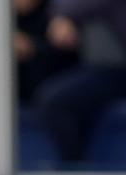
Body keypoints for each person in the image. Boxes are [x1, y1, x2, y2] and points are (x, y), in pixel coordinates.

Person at [35, 0, 126, 163]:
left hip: (116, 70)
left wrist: (63, 17)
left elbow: (73, 6)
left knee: (55, 100)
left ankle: (72, 166)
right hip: (100, 70)